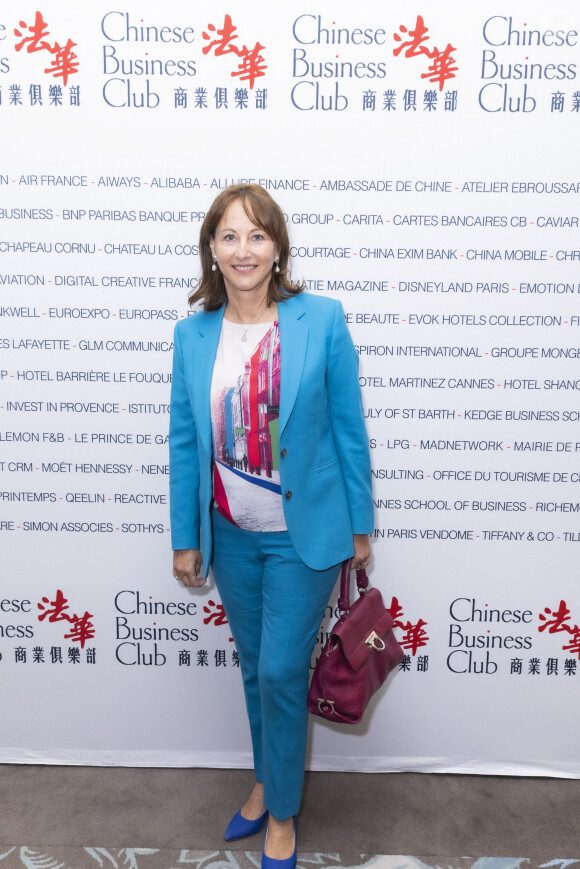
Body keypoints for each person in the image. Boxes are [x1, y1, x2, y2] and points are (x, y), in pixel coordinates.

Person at [169, 184, 373, 869]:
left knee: (284, 670)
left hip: (303, 536)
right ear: (212, 250)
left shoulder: (321, 319)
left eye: (257, 235)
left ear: (278, 246)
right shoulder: (193, 335)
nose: (244, 249)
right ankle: (265, 778)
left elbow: (348, 427)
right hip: (230, 537)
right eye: (229, 236)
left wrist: (362, 521)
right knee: (259, 670)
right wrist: (185, 535)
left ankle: (281, 811)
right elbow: (183, 442)